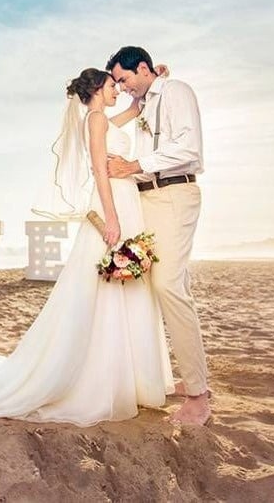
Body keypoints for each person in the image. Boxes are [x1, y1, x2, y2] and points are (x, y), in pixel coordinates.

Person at [0, 68, 174, 426]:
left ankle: (131, 378)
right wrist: (111, 218)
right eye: (111, 86)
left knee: (126, 287)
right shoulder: (95, 121)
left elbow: (134, 109)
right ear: (95, 90)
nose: (117, 91)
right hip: (114, 205)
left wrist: (156, 78)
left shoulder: (104, 120)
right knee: (106, 289)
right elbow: (99, 172)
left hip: (125, 203)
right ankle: (108, 378)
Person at [106, 46, 211, 426]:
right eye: (116, 82)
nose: (122, 86)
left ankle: (199, 398)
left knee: (169, 287)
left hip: (175, 194)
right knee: (152, 287)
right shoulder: (146, 103)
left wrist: (133, 165)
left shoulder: (176, 91)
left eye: (125, 78)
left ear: (145, 68)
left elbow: (187, 148)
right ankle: (191, 378)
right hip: (147, 197)